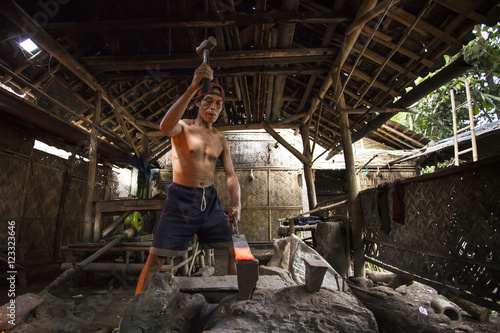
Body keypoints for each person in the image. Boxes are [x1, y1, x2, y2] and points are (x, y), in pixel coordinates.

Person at [135, 63, 241, 295]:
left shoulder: (220, 139)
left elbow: (231, 175)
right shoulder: (182, 127)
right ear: (197, 103)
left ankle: (237, 302)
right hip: (180, 200)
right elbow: (165, 126)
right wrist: (193, 87)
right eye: (208, 101)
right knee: (155, 260)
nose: (213, 107)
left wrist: (236, 204)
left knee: (235, 250)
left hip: (210, 201)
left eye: (218, 104)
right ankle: (134, 311)